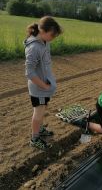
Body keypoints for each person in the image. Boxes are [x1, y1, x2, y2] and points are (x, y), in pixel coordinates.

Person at [24, 16, 62, 150]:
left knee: (43, 108)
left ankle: (40, 130)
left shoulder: (45, 42)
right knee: (38, 112)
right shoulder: (34, 47)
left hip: (44, 85)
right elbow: (29, 73)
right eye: (52, 35)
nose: (53, 38)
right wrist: (44, 86)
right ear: (42, 31)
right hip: (38, 87)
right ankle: (34, 138)